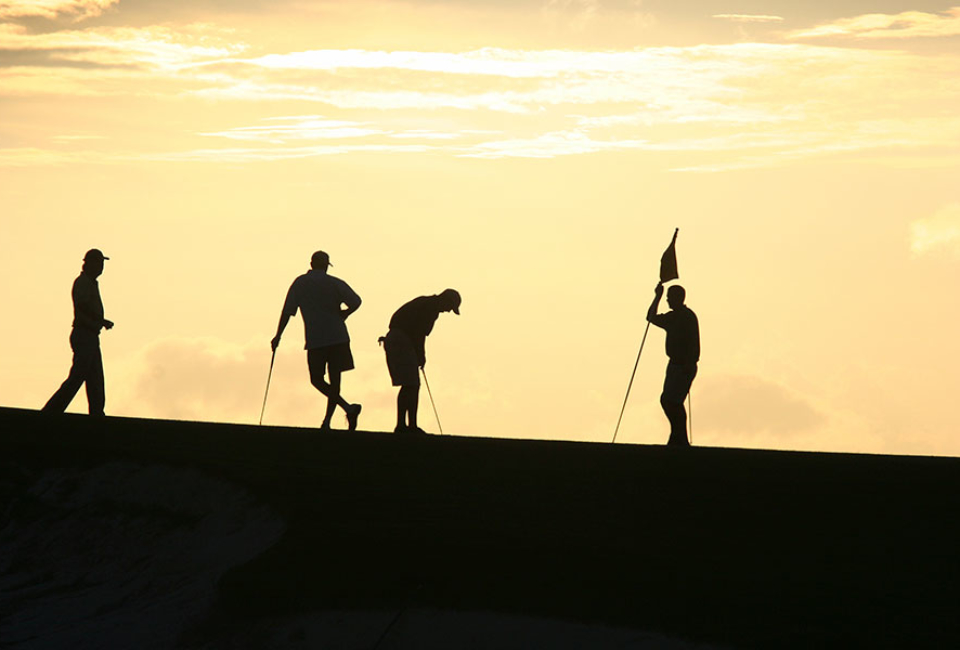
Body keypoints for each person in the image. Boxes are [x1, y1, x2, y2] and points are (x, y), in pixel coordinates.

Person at [271, 251, 363, 431]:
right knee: (335, 381)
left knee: (316, 379)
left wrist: (278, 335)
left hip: (316, 339)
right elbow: (356, 301)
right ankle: (342, 412)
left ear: (311, 264)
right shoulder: (334, 283)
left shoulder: (300, 283)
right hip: (337, 336)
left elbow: (288, 311)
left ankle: (333, 418)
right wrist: (345, 313)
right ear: (326, 266)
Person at [43, 249, 115, 416]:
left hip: (91, 335)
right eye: (98, 263)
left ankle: (96, 414)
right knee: (78, 377)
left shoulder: (90, 283)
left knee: (95, 378)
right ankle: (51, 411)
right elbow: (83, 306)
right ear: (89, 263)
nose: (101, 267)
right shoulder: (83, 282)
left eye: (102, 263)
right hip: (84, 334)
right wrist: (101, 320)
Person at [381, 289, 461, 434]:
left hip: (396, 339)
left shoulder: (427, 303)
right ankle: (408, 426)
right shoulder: (431, 308)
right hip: (401, 341)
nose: (448, 311)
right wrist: (421, 355)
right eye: (450, 307)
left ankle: (404, 425)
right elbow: (419, 333)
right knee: (411, 385)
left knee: (409, 385)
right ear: (446, 300)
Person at [647, 282, 699, 447]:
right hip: (675, 365)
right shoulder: (673, 317)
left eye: (669, 297)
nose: (668, 300)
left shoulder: (686, 317)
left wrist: (689, 364)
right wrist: (657, 296)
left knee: (672, 402)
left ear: (678, 298)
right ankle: (678, 436)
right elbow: (651, 317)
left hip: (684, 366)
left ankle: (679, 437)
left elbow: (694, 344)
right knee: (669, 401)